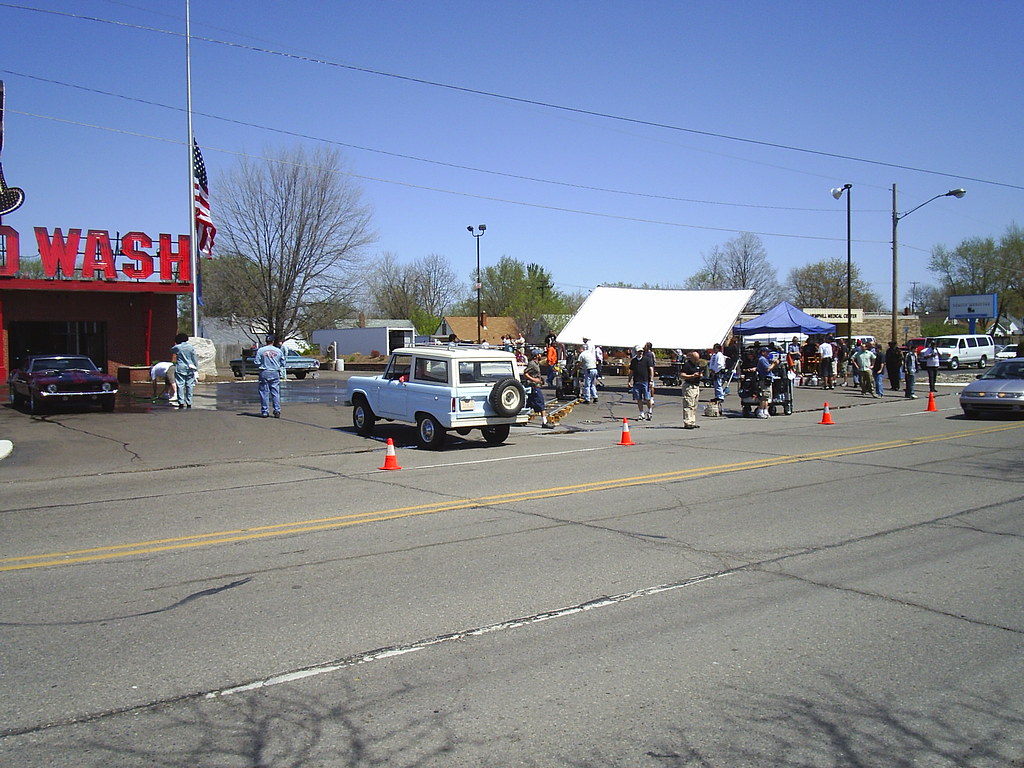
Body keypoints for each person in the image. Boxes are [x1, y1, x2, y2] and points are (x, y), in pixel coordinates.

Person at [254, 334, 287, 418]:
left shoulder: (261, 350)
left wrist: (263, 363)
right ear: (273, 341)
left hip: (264, 371)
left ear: (266, 341)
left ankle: (265, 411)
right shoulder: (278, 351)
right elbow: (283, 362)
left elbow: (256, 362)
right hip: (275, 372)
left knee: (264, 392)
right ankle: (277, 410)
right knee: (275, 392)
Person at [523, 349, 554, 428]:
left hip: (535, 386)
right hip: (534, 387)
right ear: (536, 356)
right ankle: (544, 422)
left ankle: (522, 419)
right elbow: (525, 373)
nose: (541, 355)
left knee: (529, 405)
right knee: (541, 404)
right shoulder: (532, 364)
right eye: (539, 354)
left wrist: (541, 380)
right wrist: (534, 380)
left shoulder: (536, 364)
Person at [170, 332, 199, 409]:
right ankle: (189, 402)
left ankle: (181, 402)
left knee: (180, 384)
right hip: (190, 367)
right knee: (189, 385)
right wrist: (196, 368)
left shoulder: (178, 347)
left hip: (180, 367)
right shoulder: (191, 347)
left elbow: (171, 350)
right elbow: (194, 358)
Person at [627, 344, 655, 420]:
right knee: (638, 399)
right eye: (639, 351)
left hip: (645, 381)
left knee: (647, 398)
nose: (640, 353)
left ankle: (650, 411)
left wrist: (651, 380)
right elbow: (631, 372)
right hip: (636, 382)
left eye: (641, 351)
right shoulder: (634, 361)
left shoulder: (647, 359)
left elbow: (651, 369)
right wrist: (629, 381)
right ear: (636, 352)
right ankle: (641, 413)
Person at [679, 350, 703, 429]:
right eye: (695, 359)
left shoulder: (697, 365)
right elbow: (682, 375)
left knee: (694, 405)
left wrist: (700, 375)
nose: (696, 360)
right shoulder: (687, 365)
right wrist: (692, 376)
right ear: (692, 358)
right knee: (688, 404)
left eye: (697, 359)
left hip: (696, 386)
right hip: (689, 386)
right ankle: (687, 422)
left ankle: (692, 421)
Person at [755, 347, 778, 418]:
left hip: (768, 380)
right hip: (764, 380)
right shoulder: (762, 359)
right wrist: (774, 364)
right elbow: (767, 369)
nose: (768, 353)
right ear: (763, 352)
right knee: (764, 396)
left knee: (767, 397)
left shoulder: (765, 359)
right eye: (767, 352)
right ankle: (760, 411)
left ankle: (765, 410)